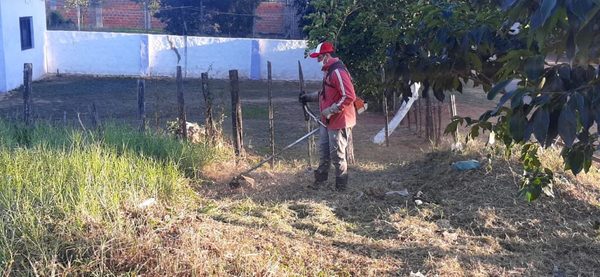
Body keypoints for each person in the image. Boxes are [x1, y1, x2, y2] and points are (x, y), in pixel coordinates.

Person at [299, 41, 356, 191]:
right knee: (323, 152)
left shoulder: (337, 71)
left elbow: (349, 96)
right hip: (327, 121)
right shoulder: (328, 71)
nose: (317, 61)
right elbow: (326, 94)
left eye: (319, 57)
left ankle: (341, 188)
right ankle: (320, 183)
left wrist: (331, 110)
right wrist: (308, 97)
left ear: (326, 56)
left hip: (339, 120)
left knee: (337, 156)